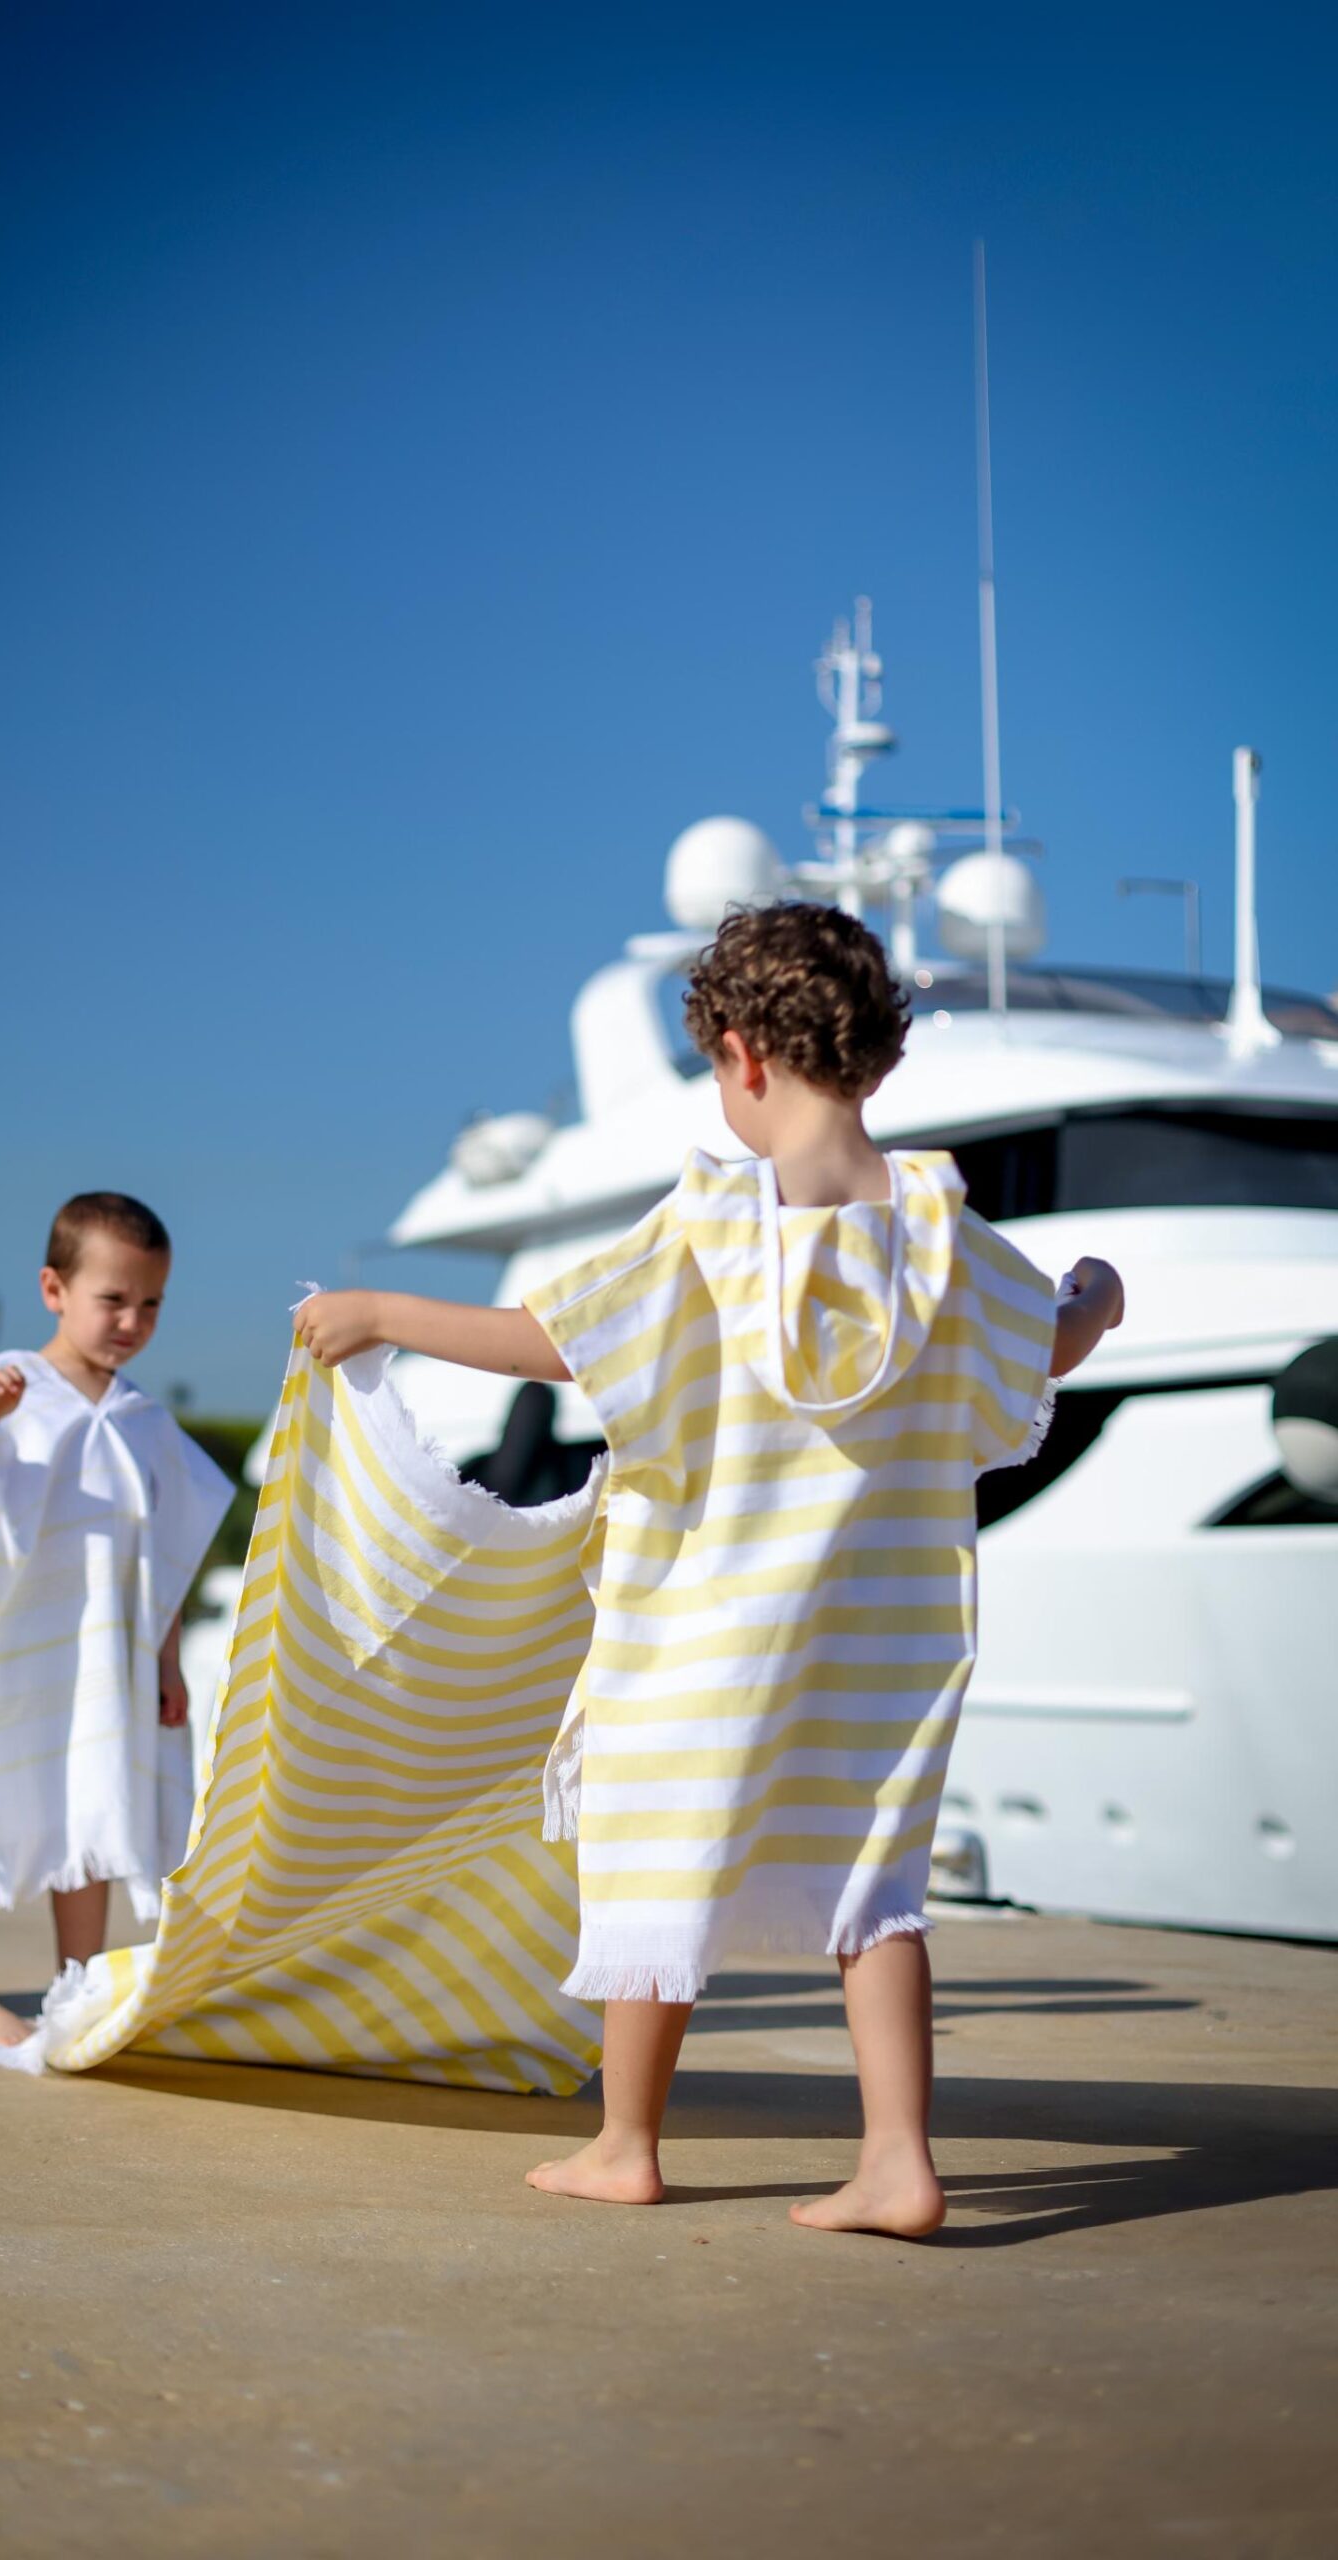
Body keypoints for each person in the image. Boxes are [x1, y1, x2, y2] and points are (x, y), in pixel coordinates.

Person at [295, 905, 1124, 2232]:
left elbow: (554, 1341)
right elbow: (1052, 1344)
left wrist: (383, 1309)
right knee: (875, 1892)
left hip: (700, 1640)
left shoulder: (709, 1227)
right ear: (880, 1057)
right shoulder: (942, 1232)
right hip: (881, 1651)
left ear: (740, 1054)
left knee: (654, 1867)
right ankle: (897, 2158)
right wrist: (1095, 1291)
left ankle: (626, 2144)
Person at [0, 1192, 231, 2049]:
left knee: (91, 1805)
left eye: (151, 1303)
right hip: (12, 1647)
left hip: (105, 1660)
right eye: (113, 1299)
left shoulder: (144, 1422)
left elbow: (164, 1557)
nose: (132, 1321)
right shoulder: (9, 1382)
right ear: (53, 1289)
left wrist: (166, 1663)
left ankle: (76, 1986)